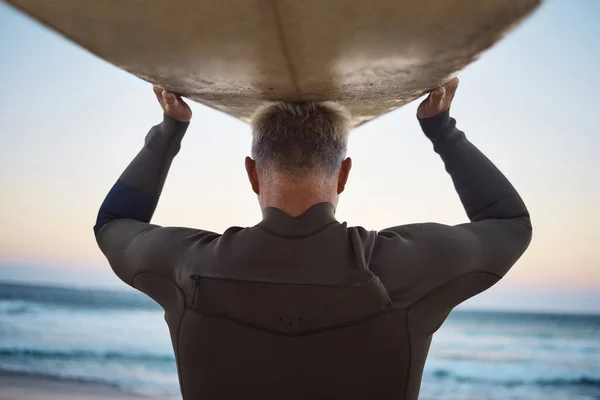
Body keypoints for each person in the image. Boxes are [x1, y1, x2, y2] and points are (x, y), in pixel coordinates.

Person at [94, 77, 532, 399]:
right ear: (343, 175)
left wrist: (170, 129)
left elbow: (114, 222)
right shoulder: (402, 268)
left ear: (252, 174)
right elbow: (509, 223)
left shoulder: (188, 266)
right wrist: (441, 128)